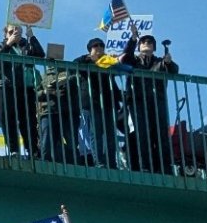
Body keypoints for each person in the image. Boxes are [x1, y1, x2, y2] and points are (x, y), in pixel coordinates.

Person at [122, 27, 178, 174]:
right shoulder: (133, 60)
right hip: (137, 102)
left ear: (154, 47)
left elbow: (174, 70)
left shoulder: (160, 62)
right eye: (144, 42)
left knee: (160, 136)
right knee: (142, 135)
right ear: (139, 46)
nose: (147, 43)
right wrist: (133, 38)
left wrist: (169, 62)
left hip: (156, 102)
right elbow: (125, 56)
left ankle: (164, 168)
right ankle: (144, 166)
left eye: (150, 42)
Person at [0, 24, 45, 157]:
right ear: (5, 34)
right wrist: (9, 44)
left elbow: (40, 54)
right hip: (5, 86)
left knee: (28, 120)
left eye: (18, 31)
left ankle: (32, 150)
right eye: (11, 32)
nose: (15, 34)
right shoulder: (1, 45)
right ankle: (13, 150)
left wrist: (31, 36)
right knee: (8, 119)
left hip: (24, 87)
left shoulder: (26, 46)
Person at [73, 38, 123, 168]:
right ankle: (99, 162)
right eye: (96, 46)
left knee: (111, 135)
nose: (99, 48)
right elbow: (74, 64)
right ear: (90, 49)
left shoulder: (106, 63)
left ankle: (112, 163)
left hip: (108, 103)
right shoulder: (85, 62)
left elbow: (121, 71)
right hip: (93, 103)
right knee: (96, 134)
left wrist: (114, 60)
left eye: (101, 46)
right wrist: (91, 58)